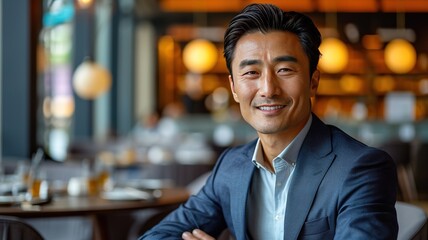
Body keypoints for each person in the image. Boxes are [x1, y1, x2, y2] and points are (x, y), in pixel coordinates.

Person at [140, 3, 398, 240]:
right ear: (233, 88)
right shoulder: (231, 167)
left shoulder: (360, 169)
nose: (267, 89)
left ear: (313, 81)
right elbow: (157, 236)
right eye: (251, 72)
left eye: (284, 70)